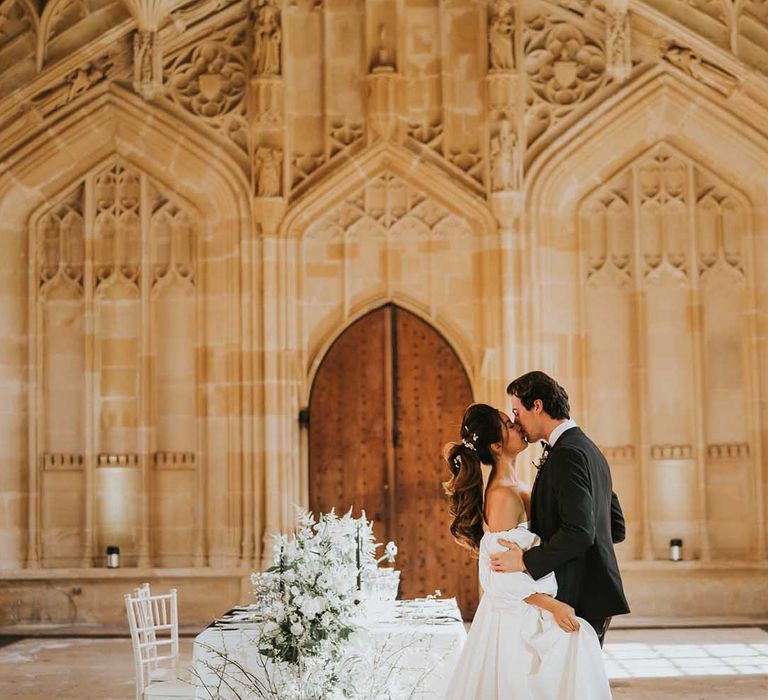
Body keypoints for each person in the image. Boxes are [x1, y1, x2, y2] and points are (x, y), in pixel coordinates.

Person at [443, 403, 612, 699]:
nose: (517, 426)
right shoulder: (502, 495)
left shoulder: (515, 484)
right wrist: (554, 606)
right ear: (496, 446)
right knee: (575, 646)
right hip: (516, 617)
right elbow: (500, 579)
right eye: (509, 424)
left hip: (531, 602)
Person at [490, 371, 630, 646]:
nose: (517, 422)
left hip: (578, 595)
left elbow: (579, 532)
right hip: (594, 590)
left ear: (538, 406)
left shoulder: (567, 454)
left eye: (517, 412)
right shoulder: (589, 449)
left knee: (573, 687)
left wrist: (526, 561)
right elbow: (615, 527)